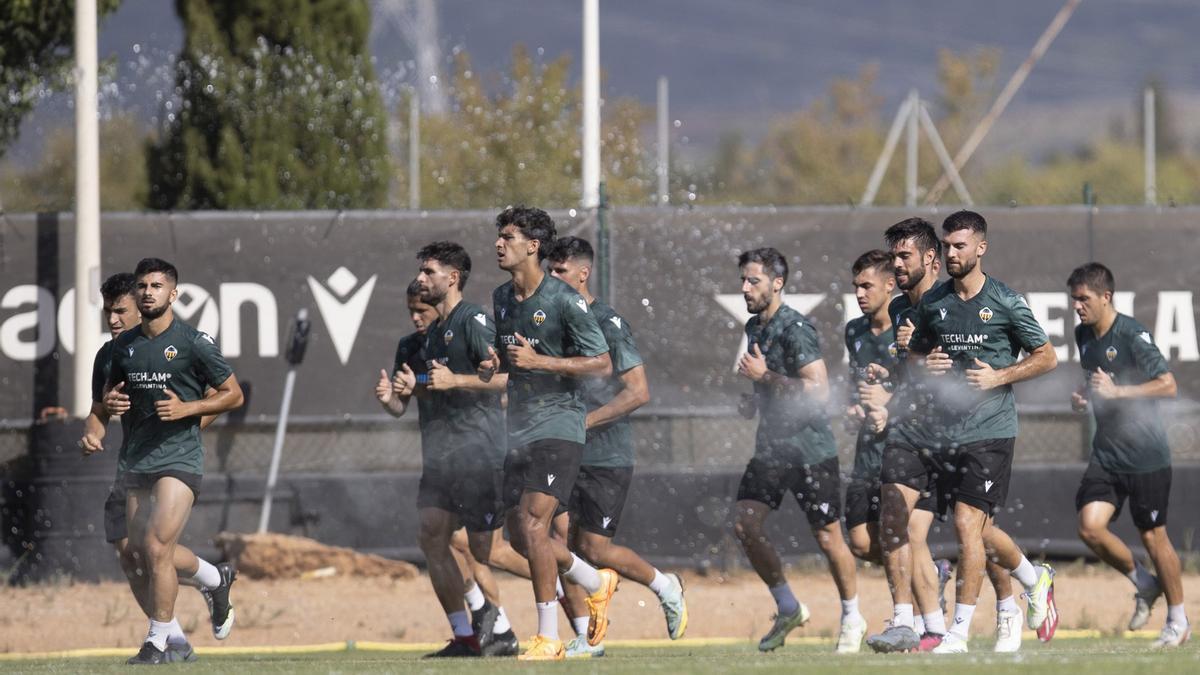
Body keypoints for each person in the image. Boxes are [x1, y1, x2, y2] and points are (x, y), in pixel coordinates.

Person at [888, 211, 1058, 654]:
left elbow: (1046, 357)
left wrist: (999, 376)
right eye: (947, 245)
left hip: (992, 430)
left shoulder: (1005, 300)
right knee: (981, 531)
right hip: (948, 433)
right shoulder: (934, 302)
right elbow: (915, 357)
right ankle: (1032, 579)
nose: (951, 253)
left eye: (960, 245)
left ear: (980, 248)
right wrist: (925, 363)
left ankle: (958, 634)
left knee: (967, 524)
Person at [481, 206, 617, 661]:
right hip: (519, 429)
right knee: (521, 537)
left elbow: (602, 363)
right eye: (499, 236)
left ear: (533, 246)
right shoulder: (501, 297)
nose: (499, 243)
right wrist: (492, 363)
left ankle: (548, 637)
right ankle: (596, 581)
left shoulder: (564, 299)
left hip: (560, 425)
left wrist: (541, 362)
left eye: (508, 237)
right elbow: (510, 356)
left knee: (535, 525)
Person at [80, 272, 235, 663]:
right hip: (132, 465)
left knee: (155, 547)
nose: (113, 319)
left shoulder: (187, 342)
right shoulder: (111, 354)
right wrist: (93, 433)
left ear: (143, 307)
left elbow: (224, 395)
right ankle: (201, 597)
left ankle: (160, 639)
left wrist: (184, 427)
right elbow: (99, 412)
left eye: (121, 311)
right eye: (107, 312)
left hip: (175, 460)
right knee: (133, 556)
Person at [545, 236, 688, 658]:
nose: (551, 278)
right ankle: (588, 637)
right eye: (548, 270)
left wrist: (583, 423)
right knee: (556, 541)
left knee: (594, 548)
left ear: (582, 273)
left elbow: (638, 392)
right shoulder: (552, 321)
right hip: (563, 452)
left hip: (606, 456)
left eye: (559, 271)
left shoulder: (608, 322)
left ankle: (665, 586)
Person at [376, 279, 528, 657]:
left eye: (422, 310)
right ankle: (470, 633)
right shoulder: (410, 347)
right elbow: (400, 406)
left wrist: (452, 381)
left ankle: (566, 580)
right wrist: (390, 399)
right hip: (439, 459)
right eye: (410, 311)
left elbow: (507, 381)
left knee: (488, 551)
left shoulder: (469, 327)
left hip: (479, 455)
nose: (415, 317)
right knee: (432, 537)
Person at [729, 247, 863, 653]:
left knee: (828, 537)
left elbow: (818, 390)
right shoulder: (754, 326)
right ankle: (788, 606)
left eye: (753, 280)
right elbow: (774, 387)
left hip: (809, 451)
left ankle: (852, 617)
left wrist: (765, 377)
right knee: (745, 525)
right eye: (743, 280)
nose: (745, 287)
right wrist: (755, 400)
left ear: (777, 283)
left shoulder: (795, 328)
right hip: (771, 450)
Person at [1068, 262, 1190, 648]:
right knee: (1089, 527)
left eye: (1084, 299)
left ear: (1106, 297)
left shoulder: (1133, 335)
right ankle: (1144, 582)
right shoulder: (1082, 334)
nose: (1077, 306)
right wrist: (1083, 396)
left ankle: (1178, 620)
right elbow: (1096, 380)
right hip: (1107, 454)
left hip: (1146, 457)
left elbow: (1168, 385)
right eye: (1074, 299)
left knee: (1153, 537)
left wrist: (1118, 392)